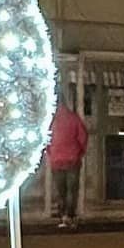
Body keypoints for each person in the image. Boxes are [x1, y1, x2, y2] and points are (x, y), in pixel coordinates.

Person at [45, 94, 89, 227]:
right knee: (72, 190)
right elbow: (83, 137)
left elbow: (46, 140)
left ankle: (62, 215)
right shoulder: (73, 118)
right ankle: (70, 215)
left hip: (56, 160)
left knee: (60, 190)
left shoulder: (50, 121)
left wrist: (51, 153)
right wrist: (80, 152)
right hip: (72, 159)